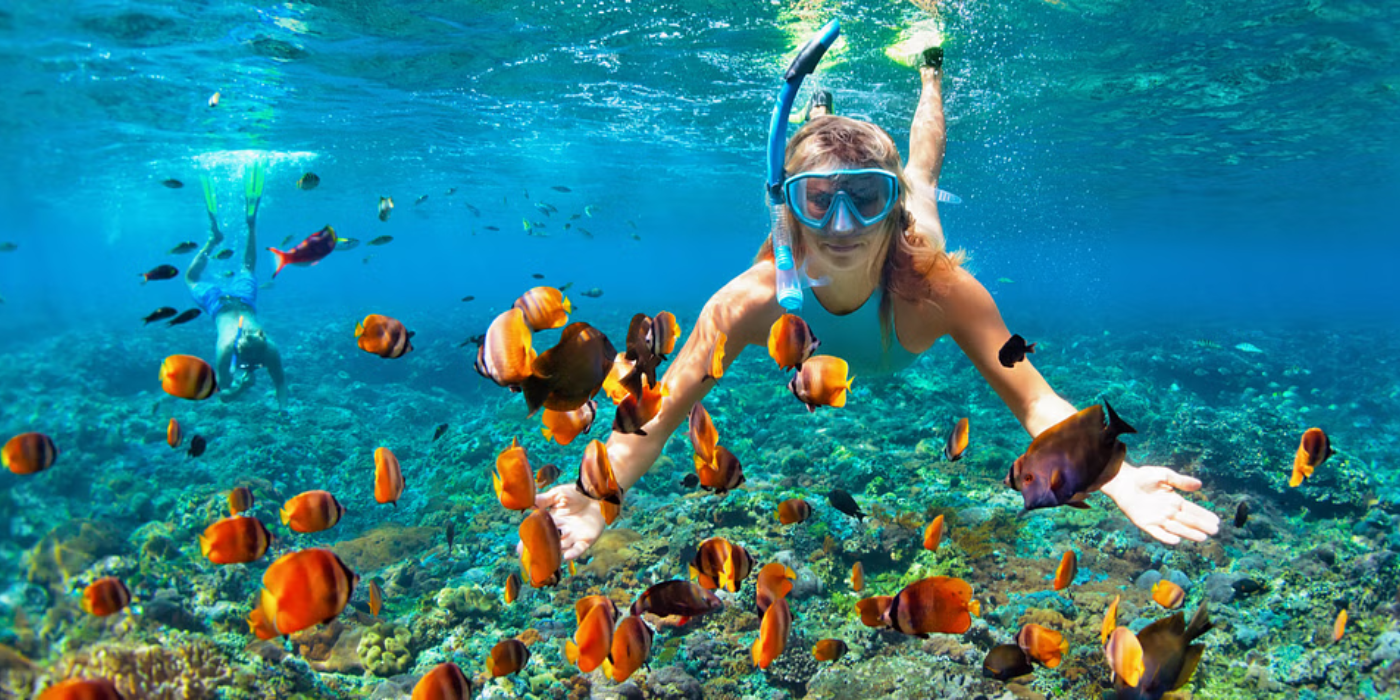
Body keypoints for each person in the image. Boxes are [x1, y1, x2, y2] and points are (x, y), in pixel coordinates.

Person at [532, 45, 1220, 560]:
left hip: (912, 246)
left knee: (921, 172)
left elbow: (1035, 400)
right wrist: (600, 497)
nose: (841, 226)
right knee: (826, 153)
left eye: (867, 198)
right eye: (818, 201)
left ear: (892, 215)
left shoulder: (941, 289)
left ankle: (928, 71)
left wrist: (1113, 472)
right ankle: (821, 117)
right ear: (790, 214)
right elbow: (663, 406)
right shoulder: (750, 301)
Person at [185, 162, 288, 411]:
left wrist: (242, 387)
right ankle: (238, 231)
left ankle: (224, 236)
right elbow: (227, 392)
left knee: (242, 269)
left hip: (239, 300)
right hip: (221, 304)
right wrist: (245, 389)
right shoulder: (256, 349)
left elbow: (224, 388)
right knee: (203, 277)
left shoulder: (248, 348)